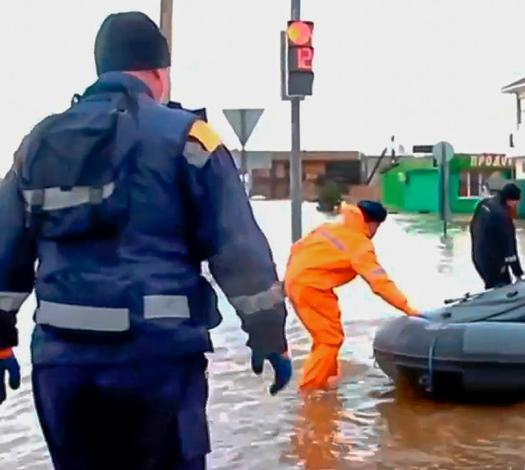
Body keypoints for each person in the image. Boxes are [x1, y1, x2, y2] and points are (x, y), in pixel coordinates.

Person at [0, 12, 291, 469]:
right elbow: (239, 250)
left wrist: (1, 340)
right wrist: (269, 334)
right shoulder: (190, 139)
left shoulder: (38, 142)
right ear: (159, 72)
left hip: (63, 368)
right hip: (157, 364)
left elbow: (5, 250)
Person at [284, 200, 419, 391]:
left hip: (295, 282)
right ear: (373, 224)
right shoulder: (360, 245)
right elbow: (379, 282)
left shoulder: (328, 228)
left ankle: (327, 380)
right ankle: (310, 390)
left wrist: (290, 280)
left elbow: (297, 248)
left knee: (327, 335)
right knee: (329, 340)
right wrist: (407, 308)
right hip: (312, 288)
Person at [469, 182, 525, 289]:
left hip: (478, 257)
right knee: (504, 289)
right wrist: (518, 274)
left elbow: (472, 227)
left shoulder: (484, 204)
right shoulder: (503, 216)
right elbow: (510, 250)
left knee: (492, 286)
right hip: (492, 262)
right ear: (510, 200)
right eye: (515, 203)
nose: (515, 206)